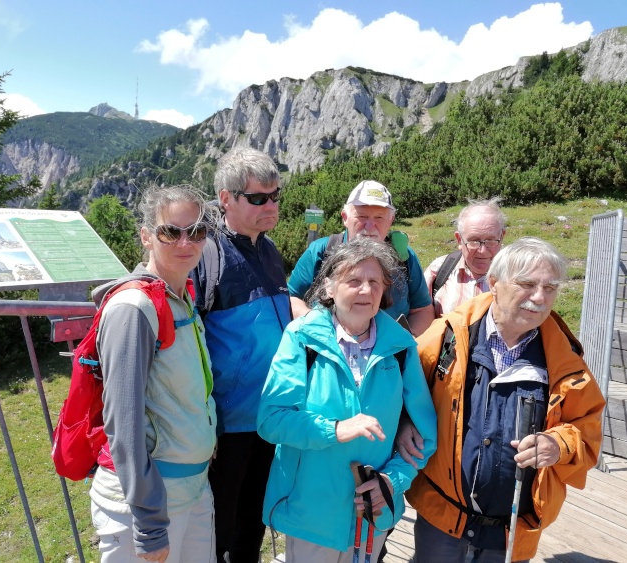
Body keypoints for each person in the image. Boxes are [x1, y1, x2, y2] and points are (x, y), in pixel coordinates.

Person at [400, 237, 605, 563]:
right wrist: (405, 425)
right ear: (494, 283)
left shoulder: (564, 360)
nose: (539, 298)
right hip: (442, 517)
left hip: (511, 529)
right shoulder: (448, 336)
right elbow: (402, 394)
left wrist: (558, 445)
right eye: (526, 284)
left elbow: (588, 431)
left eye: (549, 288)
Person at [258, 237, 438, 563]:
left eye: (374, 282)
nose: (365, 291)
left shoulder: (400, 347)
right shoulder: (301, 339)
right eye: (353, 281)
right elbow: (272, 420)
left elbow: (424, 436)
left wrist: (391, 481)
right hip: (311, 514)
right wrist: (336, 429)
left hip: (372, 514)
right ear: (328, 287)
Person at [89, 184, 218, 563]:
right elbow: (122, 424)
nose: (185, 242)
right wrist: (148, 525)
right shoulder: (134, 308)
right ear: (147, 237)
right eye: (170, 231)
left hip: (192, 488)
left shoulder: (182, 297)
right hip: (148, 504)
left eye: (196, 231)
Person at [191, 147, 292, 563]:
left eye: (275, 195)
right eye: (258, 198)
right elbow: (188, 342)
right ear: (226, 198)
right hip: (227, 425)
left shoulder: (267, 249)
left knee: (253, 520)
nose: (270, 205)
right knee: (217, 528)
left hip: (269, 416)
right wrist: (202, 419)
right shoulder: (205, 252)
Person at [288, 180, 434, 337]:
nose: (370, 226)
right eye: (362, 216)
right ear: (345, 217)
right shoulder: (321, 251)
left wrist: (405, 342)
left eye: (379, 218)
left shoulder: (405, 258)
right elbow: (291, 298)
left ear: (391, 220)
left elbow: (423, 310)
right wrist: (319, 331)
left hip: (390, 358)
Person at [425, 197, 506, 317]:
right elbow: (419, 314)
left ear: (502, 236)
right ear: (459, 239)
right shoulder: (439, 269)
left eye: (491, 240)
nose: (482, 251)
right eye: (474, 241)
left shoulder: (518, 272)